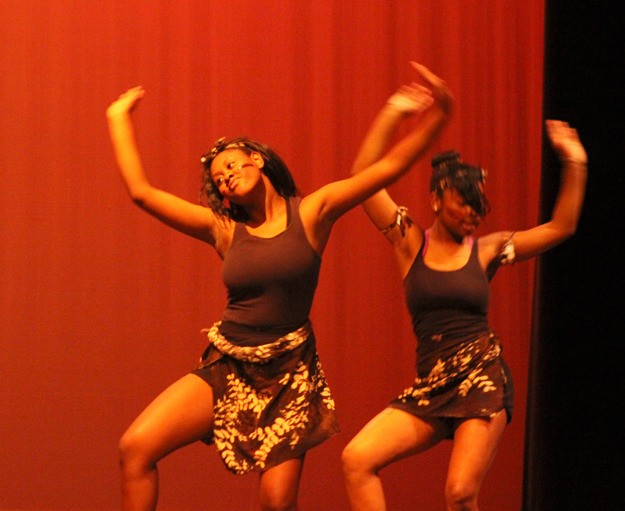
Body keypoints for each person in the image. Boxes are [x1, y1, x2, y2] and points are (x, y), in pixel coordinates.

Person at [106, 61, 453, 511]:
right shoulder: (224, 230)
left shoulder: (312, 212)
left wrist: (440, 113)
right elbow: (142, 193)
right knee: (135, 448)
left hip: (290, 376)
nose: (225, 177)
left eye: (230, 165)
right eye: (218, 180)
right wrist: (118, 119)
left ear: (258, 158)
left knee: (275, 503)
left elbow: (389, 167)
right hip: (228, 365)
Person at [341, 85, 587, 510]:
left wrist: (575, 162)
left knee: (460, 493)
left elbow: (560, 227)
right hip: (433, 385)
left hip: (482, 377)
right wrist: (393, 112)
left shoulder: (487, 250)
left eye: (478, 205)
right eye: (463, 202)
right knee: (357, 459)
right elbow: (362, 177)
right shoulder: (408, 243)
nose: (473, 212)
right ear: (435, 199)